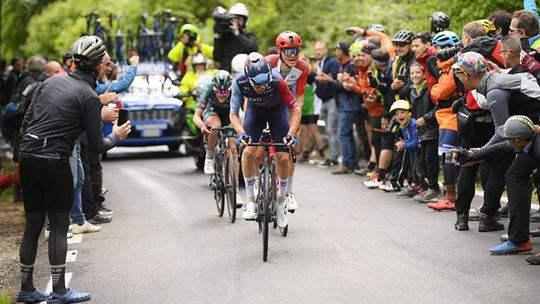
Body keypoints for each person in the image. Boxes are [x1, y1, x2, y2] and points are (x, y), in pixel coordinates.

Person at [16, 36, 131, 304]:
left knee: (33, 225)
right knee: (58, 225)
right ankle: (59, 291)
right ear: (96, 66)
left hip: (28, 158)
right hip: (55, 162)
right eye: (105, 61)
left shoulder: (51, 81)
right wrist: (115, 136)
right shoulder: (89, 96)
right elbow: (96, 146)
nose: (107, 66)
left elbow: (27, 122)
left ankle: (26, 288)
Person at [229, 52, 300, 228]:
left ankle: (282, 199)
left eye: (264, 83)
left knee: (284, 156)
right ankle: (251, 201)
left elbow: (296, 110)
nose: (262, 88)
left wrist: (291, 133)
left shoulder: (277, 81)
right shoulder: (239, 82)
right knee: (248, 152)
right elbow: (233, 114)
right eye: (257, 85)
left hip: (278, 113)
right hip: (256, 113)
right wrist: (241, 133)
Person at [457, 115, 536, 256]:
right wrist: (472, 157)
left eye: (509, 139)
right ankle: (519, 241)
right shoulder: (527, 140)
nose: (507, 142)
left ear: (517, 141)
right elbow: (501, 147)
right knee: (515, 175)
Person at [267, 31, 309, 211]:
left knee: (290, 148)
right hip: (264, 105)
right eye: (288, 51)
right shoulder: (268, 63)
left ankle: (289, 191)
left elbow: (299, 98)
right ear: (279, 52)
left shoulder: (302, 67)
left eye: (296, 51)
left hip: (287, 106)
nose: (293, 55)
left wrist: (295, 121)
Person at [318, 42, 358, 174]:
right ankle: (353, 162)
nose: (336, 51)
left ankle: (346, 163)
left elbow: (347, 88)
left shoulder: (351, 66)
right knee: (348, 134)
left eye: (338, 49)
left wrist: (330, 81)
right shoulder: (343, 65)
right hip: (342, 103)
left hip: (348, 103)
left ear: (342, 51)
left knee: (343, 134)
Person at [408, 63, 440, 202]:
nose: (415, 75)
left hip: (432, 129)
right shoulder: (412, 91)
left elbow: (438, 107)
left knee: (430, 160)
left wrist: (426, 118)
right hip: (420, 131)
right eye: (412, 73)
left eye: (417, 72)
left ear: (423, 74)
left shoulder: (430, 89)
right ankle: (425, 187)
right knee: (421, 162)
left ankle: (434, 188)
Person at [314, 40, 341, 168]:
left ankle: (334, 158)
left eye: (320, 49)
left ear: (325, 50)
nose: (318, 52)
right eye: (316, 50)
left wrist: (326, 79)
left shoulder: (332, 62)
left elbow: (334, 79)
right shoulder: (318, 63)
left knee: (332, 129)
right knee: (326, 129)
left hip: (332, 99)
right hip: (323, 100)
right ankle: (331, 156)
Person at [213, 3, 258, 72]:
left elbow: (253, 49)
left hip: (244, 72)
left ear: (245, 21)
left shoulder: (248, 35)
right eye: (234, 19)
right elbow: (217, 57)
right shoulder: (224, 36)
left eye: (239, 19)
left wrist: (237, 34)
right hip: (227, 74)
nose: (236, 22)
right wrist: (217, 38)